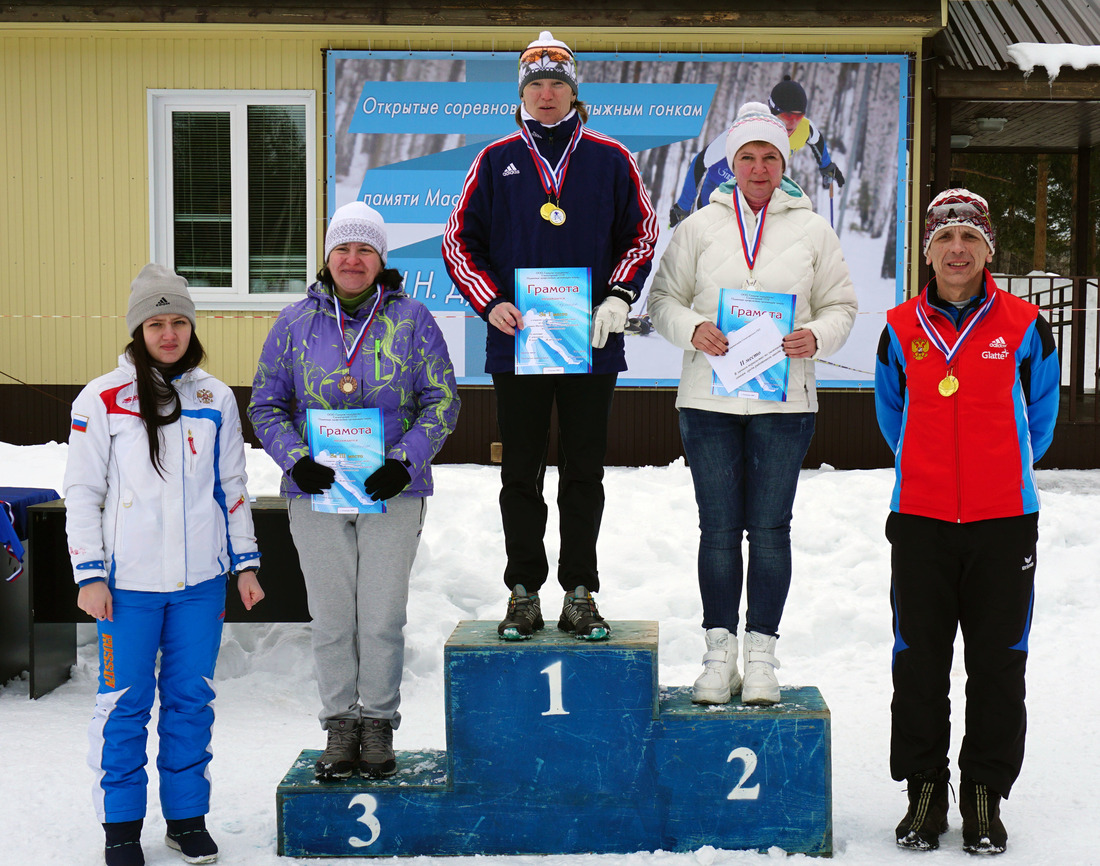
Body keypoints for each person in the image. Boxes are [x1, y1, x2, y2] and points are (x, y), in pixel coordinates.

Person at [442, 30, 657, 643]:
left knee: (585, 471)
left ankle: (581, 590)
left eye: (557, 82)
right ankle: (523, 590)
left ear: (574, 90)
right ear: (521, 93)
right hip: (520, 343)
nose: (546, 93)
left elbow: (641, 234)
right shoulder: (497, 158)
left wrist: (618, 295)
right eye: (535, 83)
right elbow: (460, 241)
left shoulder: (611, 159)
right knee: (522, 474)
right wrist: (491, 302)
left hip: (590, 342)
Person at [648, 102, 857, 706]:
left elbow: (841, 306)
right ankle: (718, 655)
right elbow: (663, 299)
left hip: (784, 403)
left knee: (769, 531)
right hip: (708, 401)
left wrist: (815, 336)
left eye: (770, 156)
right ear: (731, 163)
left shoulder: (814, 229)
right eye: (748, 156)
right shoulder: (697, 227)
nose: (759, 167)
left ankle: (761, 655)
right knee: (717, 531)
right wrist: (693, 328)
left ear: (783, 163)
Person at [874, 189, 1059, 855]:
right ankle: (924, 789)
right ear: (928, 251)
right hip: (920, 520)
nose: (957, 250)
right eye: (945, 239)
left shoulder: (1026, 325)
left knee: (999, 661)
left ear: (988, 251)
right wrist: (930, 472)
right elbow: (891, 417)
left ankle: (984, 791)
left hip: (1004, 522)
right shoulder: (898, 328)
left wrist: (994, 474)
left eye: (970, 239)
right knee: (917, 661)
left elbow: (1039, 423)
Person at [249, 202, 459, 782]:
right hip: (316, 493)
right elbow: (265, 404)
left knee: (383, 615)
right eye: (343, 248)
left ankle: (378, 723)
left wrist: (404, 461)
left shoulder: (413, 319)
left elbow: (443, 400)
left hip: (392, 490)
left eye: (365, 249)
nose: (352, 259)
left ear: (381, 258)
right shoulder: (293, 323)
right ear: (327, 255)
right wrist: (296, 459)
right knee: (333, 616)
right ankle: (340, 724)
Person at [64, 263, 264, 866]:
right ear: (138, 330)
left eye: (179, 320)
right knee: (123, 706)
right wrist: (90, 575)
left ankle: (186, 818)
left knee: (190, 701)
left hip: (200, 586)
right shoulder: (101, 398)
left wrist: (245, 565)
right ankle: (121, 827)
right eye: (157, 322)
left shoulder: (216, 398)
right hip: (126, 590)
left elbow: (232, 486)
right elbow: (81, 492)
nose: (169, 332)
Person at [669, 75, 845, 227]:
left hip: (756, 193)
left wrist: (826, 166)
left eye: (798, 116)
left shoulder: (804, 128)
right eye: (787, 116)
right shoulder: (747, 127)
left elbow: (818, 141)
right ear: (773, 111)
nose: (793, 123)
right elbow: (700, 162)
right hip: (718, 188)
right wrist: (684, 205)